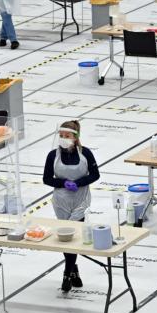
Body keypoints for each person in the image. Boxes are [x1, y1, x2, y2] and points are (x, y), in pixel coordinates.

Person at [43, 121, 100, 293]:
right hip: (61, 200)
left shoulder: (86, 153)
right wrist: (62, 183)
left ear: (75, 138)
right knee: (65, 237)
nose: (63, 139)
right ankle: (74, 270)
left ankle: (67, 274)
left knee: (73, 235)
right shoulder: (53, 155)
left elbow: (95, 174)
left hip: (80, 199)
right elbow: (47, 179)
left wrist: (79, 183)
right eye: (61, 136)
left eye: (66, 136)